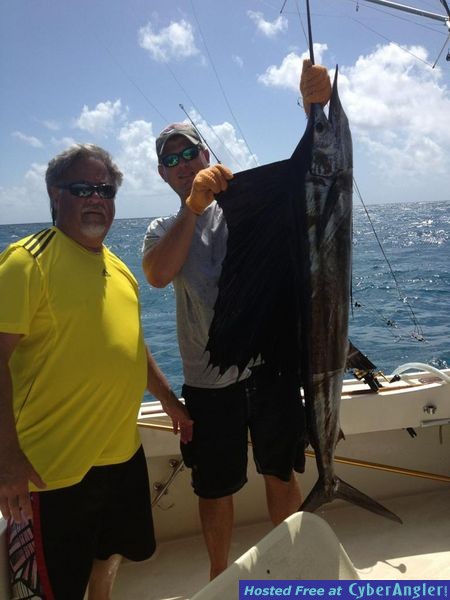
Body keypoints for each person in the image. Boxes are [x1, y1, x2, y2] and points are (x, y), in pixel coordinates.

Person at [141, 60, 331, 580]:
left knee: (280, 473)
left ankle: (292, 573)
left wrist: (314, 110)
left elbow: (311, 182)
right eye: (171, 159)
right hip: (209, 382)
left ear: (207, 155)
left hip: (269, 369)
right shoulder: (162, 228)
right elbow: (158, 274)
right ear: (162, 174)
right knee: (214, 487)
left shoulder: (250, 205)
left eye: (190, 153)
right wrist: (193, 209)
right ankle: (219, 578)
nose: (183, 163)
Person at [0, 144, 193, 600]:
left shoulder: (119, 269)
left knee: (112, 551)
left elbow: (131, 347)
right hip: (50, 469)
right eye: (82, 188)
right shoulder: (26, 262)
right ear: (55, 194)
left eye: (105, 191)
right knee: (55, 586)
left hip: (120, 455)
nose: (96, 199)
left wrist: (170, 402)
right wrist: (7, 458)